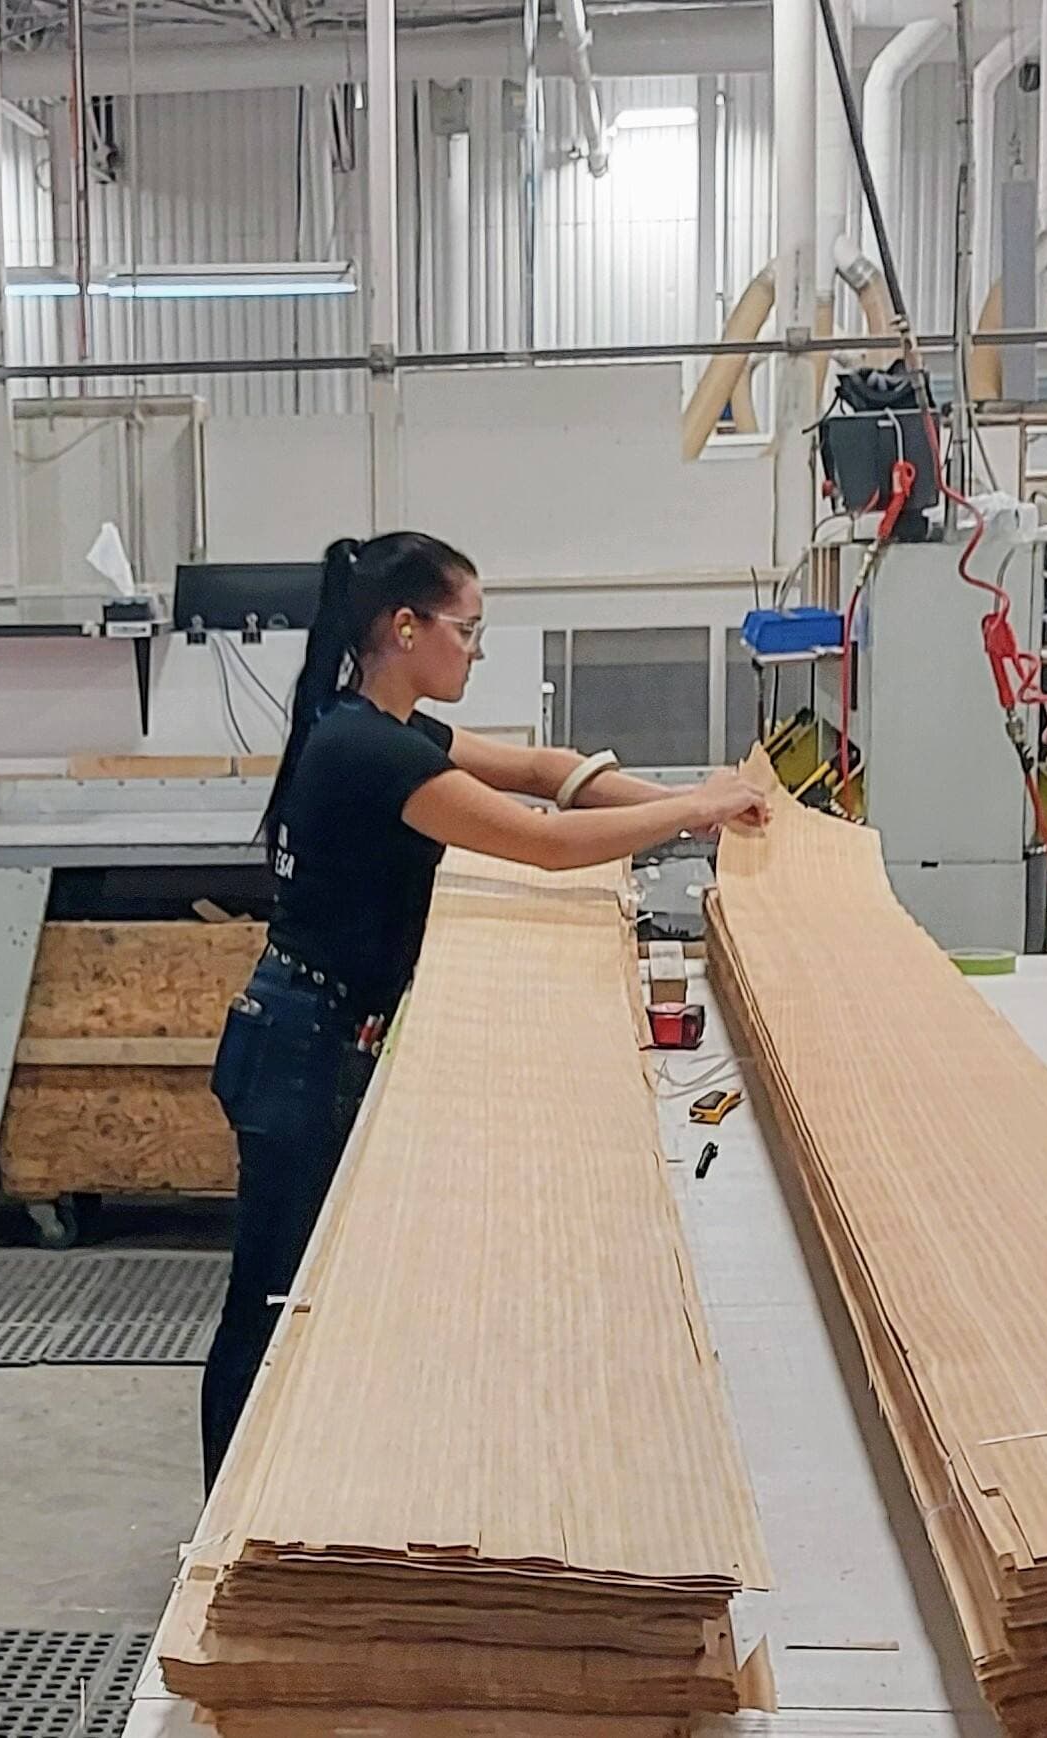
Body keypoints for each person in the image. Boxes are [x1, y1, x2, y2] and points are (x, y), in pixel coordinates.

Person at [198, 531, 770, 1484]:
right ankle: (227, 1527)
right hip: (300, 1046)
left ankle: (295, 1485)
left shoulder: (382, 729)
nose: (474, 649)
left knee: (307, 1284)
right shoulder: (366, 750)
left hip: (317, 1033)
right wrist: (692, 813)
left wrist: (692, 798)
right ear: (405, 625)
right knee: (269, 1297)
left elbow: (550, 774)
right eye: (467, 631)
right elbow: (542, 844)